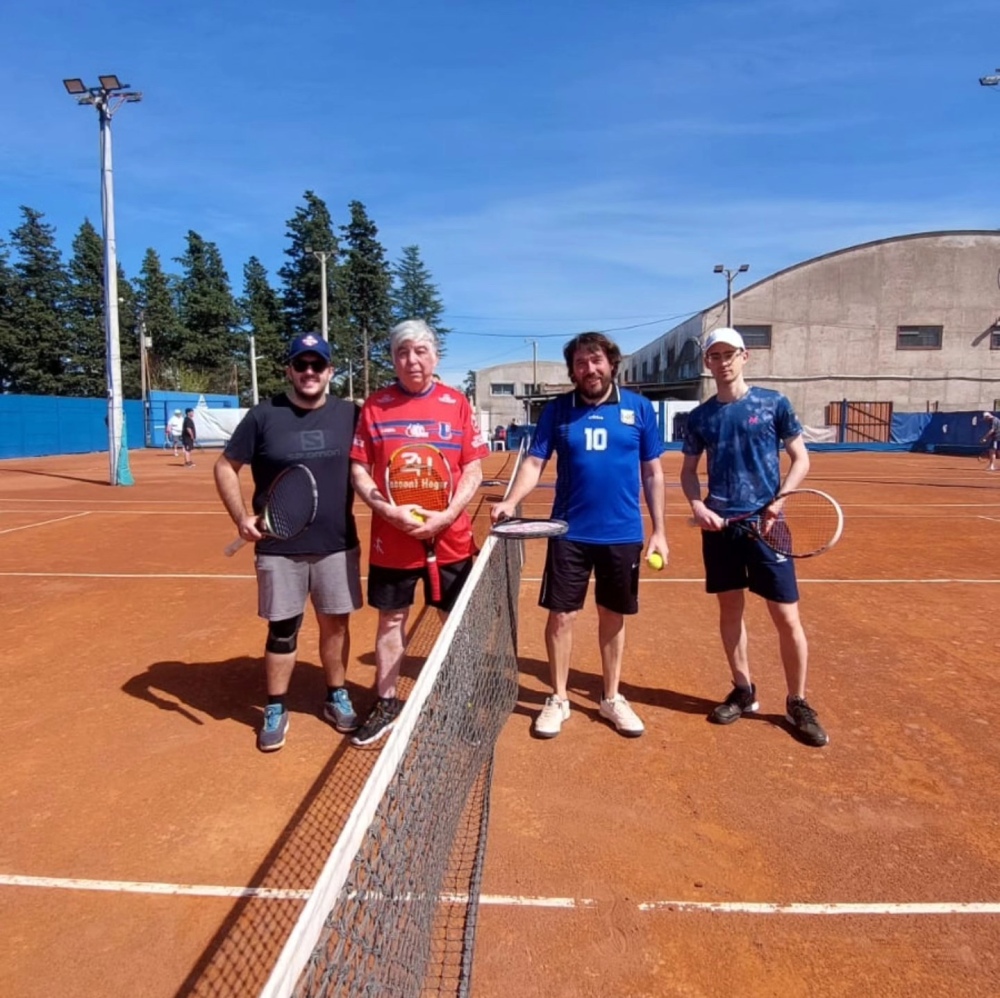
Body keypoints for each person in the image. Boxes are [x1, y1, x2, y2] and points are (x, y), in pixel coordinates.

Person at [490, 331, 667, 739]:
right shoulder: (557, 411)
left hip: (622, 533)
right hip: (568, 531)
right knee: (561, 616)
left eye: (596, 360)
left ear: (611, 363)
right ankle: (558, 697)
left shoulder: (639, 409)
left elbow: (654, 472)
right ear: (572, 370)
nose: (590, 369)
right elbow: (535, 463)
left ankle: (611, 696)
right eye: (581, 363)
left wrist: (660, 531)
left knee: (613, 615)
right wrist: (509, 500)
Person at [213, 333, 363, 753]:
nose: (310, 372)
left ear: (331, 372)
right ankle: (276, 705)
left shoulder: (350, 415)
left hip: (336, 543)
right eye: (302, 365)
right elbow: (225, 466)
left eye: (318, 365)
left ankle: (336, 694)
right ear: (290, 371)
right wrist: (240, 516)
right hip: (278, 549)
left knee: (336, 624)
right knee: (282, 630)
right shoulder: (263, 416)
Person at [680, 327, 828, 748]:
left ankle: (797, 701)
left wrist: (777, 503)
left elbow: (800, 459)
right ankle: (743, 690)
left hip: (769, 525)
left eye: (729, 353)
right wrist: (698, 507)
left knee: (786, 618)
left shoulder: (773, 404)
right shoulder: (701, 417)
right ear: (707, 363)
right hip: (721, 527)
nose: (722, 361)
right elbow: (689, 473)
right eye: (714, 355)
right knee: (731, 611)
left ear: (745, 356)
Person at [349, 319, 488, 746]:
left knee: (454, 621)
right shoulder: (374, 407)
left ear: (435, 356)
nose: (412, 359)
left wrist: (447, 515)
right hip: (392, 540)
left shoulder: (456, 403)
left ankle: (461, 697)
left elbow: (472, 468)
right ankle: (387, 701)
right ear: (393, 358)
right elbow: (358, 467)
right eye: (402, 351)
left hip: (451, 537)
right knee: (391, 619)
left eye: (420, 351)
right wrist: (384, 508)